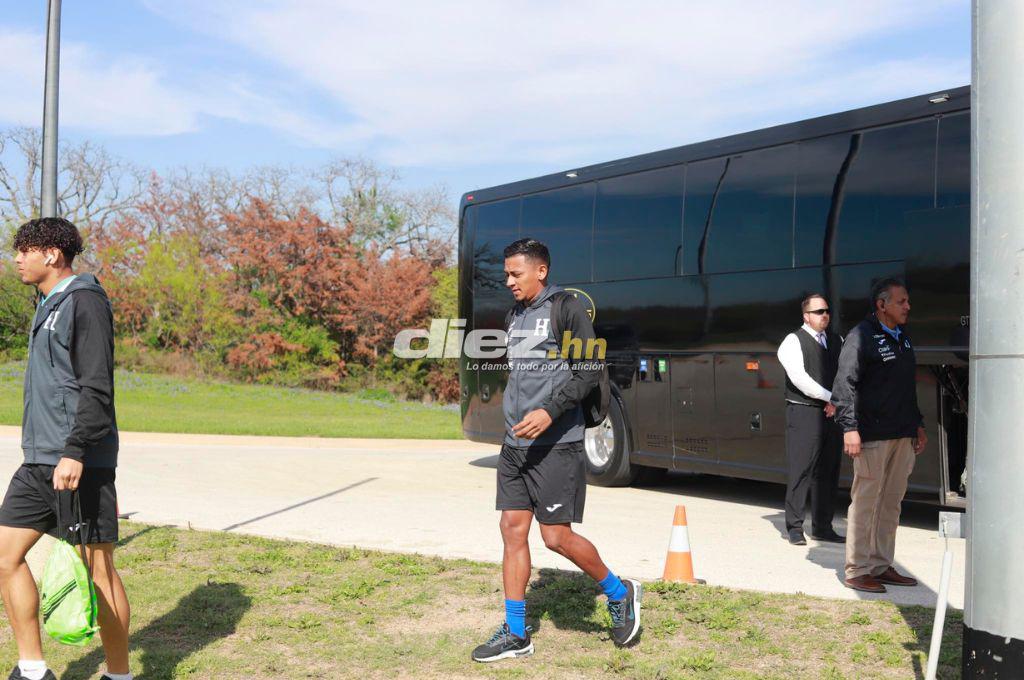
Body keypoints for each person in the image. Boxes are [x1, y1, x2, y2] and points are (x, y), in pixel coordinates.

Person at [471, 238, 640, 663]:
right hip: (515, 445)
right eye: (506, 273)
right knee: (512, 530)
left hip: (556, 444)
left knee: (556, 538)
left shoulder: (565, 309)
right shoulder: (515, 315)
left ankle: (620, 592)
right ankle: (515, 631)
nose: (508, 281)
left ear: (540, 271)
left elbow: (587, 371)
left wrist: (548, 411)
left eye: (515, 273)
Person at [1, 218, 132, 680]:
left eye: (24, 250)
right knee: (6, 556)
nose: (16, 258)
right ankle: (33, 670)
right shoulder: (47, 304)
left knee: (98, 570)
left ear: (51, 255)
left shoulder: (85, 302)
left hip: (80, 461)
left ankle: (119, 675)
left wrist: (75, 451)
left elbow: (97, 388)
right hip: (38, 460)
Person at [832, 278, 927, 594]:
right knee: (865, 503)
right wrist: (850, 428)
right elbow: (844, 384)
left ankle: (881, 564)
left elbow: (905, 388)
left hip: (902, 434)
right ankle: (858, 570)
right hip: (871, 435)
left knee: (891, 503)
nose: (908, 307)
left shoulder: (903, 338)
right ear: (881, 305)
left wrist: (918, 424)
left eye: (908, 301)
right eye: (902, 302)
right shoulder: (861, 336)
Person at [776, 294, 845, 546]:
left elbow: (845, 371)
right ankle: (794, 527)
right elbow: (800, 379)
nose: (824, 315)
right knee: (801, 471)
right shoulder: (792, 341)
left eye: (827, 310)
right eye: (818, 311)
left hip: (831, 414)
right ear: (806, 316)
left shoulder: (837, 340)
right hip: (804, 412)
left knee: (828, 471)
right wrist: (832, 398)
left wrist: (836, 401)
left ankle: (823, 526)